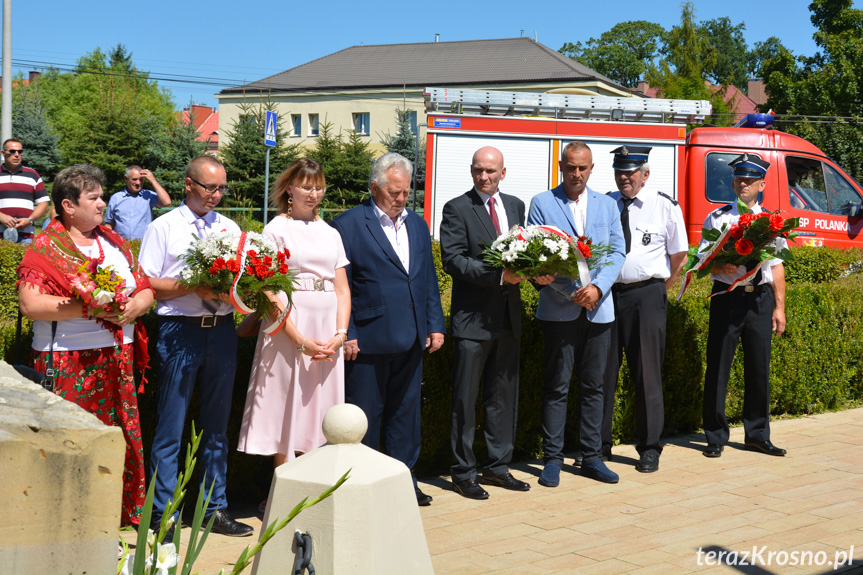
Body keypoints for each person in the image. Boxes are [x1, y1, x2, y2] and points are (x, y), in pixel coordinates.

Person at [17, 164, 154, 526]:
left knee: (116, 441)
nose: (102, 204)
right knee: (71, 445)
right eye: (93, 198)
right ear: (68, 205)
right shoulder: (46, 246)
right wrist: (91, 306)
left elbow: (144, 287)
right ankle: (65, 527)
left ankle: (117, 523)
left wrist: (138, 305)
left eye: (102, 196)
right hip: (68, 362)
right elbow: (30, 305)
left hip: (117, 360)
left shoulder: (113, 241)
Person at [138, 156, 253, 537]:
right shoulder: (164, 227)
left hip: (220, 329)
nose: (217, 196)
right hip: (179, 329)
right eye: (209, 188)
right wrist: (194, 286)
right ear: (188, 185)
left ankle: (212, 507)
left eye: (222, 188)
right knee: (171, 425)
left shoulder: (230, 228)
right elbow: (148, 284)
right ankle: (164, 513)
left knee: (217, 426)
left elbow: (243, 276)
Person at [331, 152, 445, 507]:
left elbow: (425, 278)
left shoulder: (417, 224)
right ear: (374, 187)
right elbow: (342, 284)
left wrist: (434, 323)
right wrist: (346, 331)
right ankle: (364, 487)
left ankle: (403, 480)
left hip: (411, 336)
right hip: (367, 339)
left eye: (405, 192)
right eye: (394, 192)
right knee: (366, 416)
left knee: (405, 416)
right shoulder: (347, 225)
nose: (401, 199)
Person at [440, 146, 551, 500]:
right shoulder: (457, 208)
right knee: (465, 399)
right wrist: (499, 276)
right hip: (472, 320)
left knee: (503, 397)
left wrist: (537, 274)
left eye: (490, 171)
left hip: (508, 319)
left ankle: (498, 466)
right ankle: (463, 472)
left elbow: (525, 254)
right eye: (477, 170)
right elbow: (453, 260)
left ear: (503, 173)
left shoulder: (516, 206)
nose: (483, 177)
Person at [238, 158, 350, 469]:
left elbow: (342, 289)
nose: (313, 194)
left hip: (328, 328)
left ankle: (316, 482)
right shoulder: (276, 228)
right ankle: (284, 487)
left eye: (318, 187)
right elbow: (267, 288)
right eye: (305, 186)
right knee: (288, 402)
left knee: (319, 404)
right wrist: (298, 339)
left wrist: (340, 335)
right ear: (290, 189)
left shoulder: (331, 231)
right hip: (288, 325)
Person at [525, 141, 625, 487]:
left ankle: (591, 457)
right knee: (556, 386)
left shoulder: (608, 205)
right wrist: (572, 292)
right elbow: (537, 258)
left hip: (599, 311)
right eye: (571, 167)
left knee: (594, 386)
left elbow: (617, 252)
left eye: (582, 168)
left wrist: (596, 289)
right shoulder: (542, 203)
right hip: (559, 313)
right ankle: (552, 459)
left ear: (592, 168)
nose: (576, 173)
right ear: (561, 165)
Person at [602, 146, 688, 474]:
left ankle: (649, 448)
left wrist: (657, 292)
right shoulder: (605, 204)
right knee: (603, 373)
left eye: (631, 172)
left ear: (645, 174)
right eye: (619, 171)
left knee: (647, 375)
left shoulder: (663, 206)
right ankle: (598, 446)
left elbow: (679, 255)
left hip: (647, 297)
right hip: (609, 295)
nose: (624, 177)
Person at [702, 154, 787, 458]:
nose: (743, 184)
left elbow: (777, 267)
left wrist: (779, 308)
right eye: (739, 179)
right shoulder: (718, 218)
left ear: (762, 184)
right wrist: (718, 268)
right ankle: (714, 436)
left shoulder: (771, 222)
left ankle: (757, 435)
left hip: (759, 299)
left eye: (750, 180)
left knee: (758, 368)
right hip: (727, 296)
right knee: (718, 367)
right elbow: (703, 262)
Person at [0, 138, 49, 243]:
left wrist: (29, 220)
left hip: (26, 237)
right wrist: (1, 217)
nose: (17, 155)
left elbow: (43, 203)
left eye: (20, 152)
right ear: (3, 153)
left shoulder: (32, 175)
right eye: (12, 151)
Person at [103, 166, 171, 240]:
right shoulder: (116, 198)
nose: (138, 183)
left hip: (143, 244)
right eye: (134, 179)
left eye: (141, 180)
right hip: (121, 245)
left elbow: (166, 202)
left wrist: (153, 180)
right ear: (126, 179)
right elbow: (109, 224)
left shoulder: (148, 196)